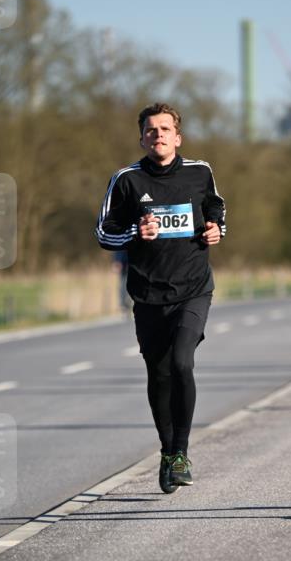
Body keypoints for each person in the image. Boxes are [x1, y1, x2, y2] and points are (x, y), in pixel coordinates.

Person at [95, 103, 225, 493]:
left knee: (182, 362)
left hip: (193, 288)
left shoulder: (199, 172)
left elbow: (216, 208)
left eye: (165, 129)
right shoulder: (126, 180)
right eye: (151, 130)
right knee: (160, 372)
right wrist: (136, 232)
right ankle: (167, 452)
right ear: (142, 138)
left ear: (177, 137)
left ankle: (181, 452)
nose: (159, 135)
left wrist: (217, 229)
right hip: (149, 294)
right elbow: (104, 232)